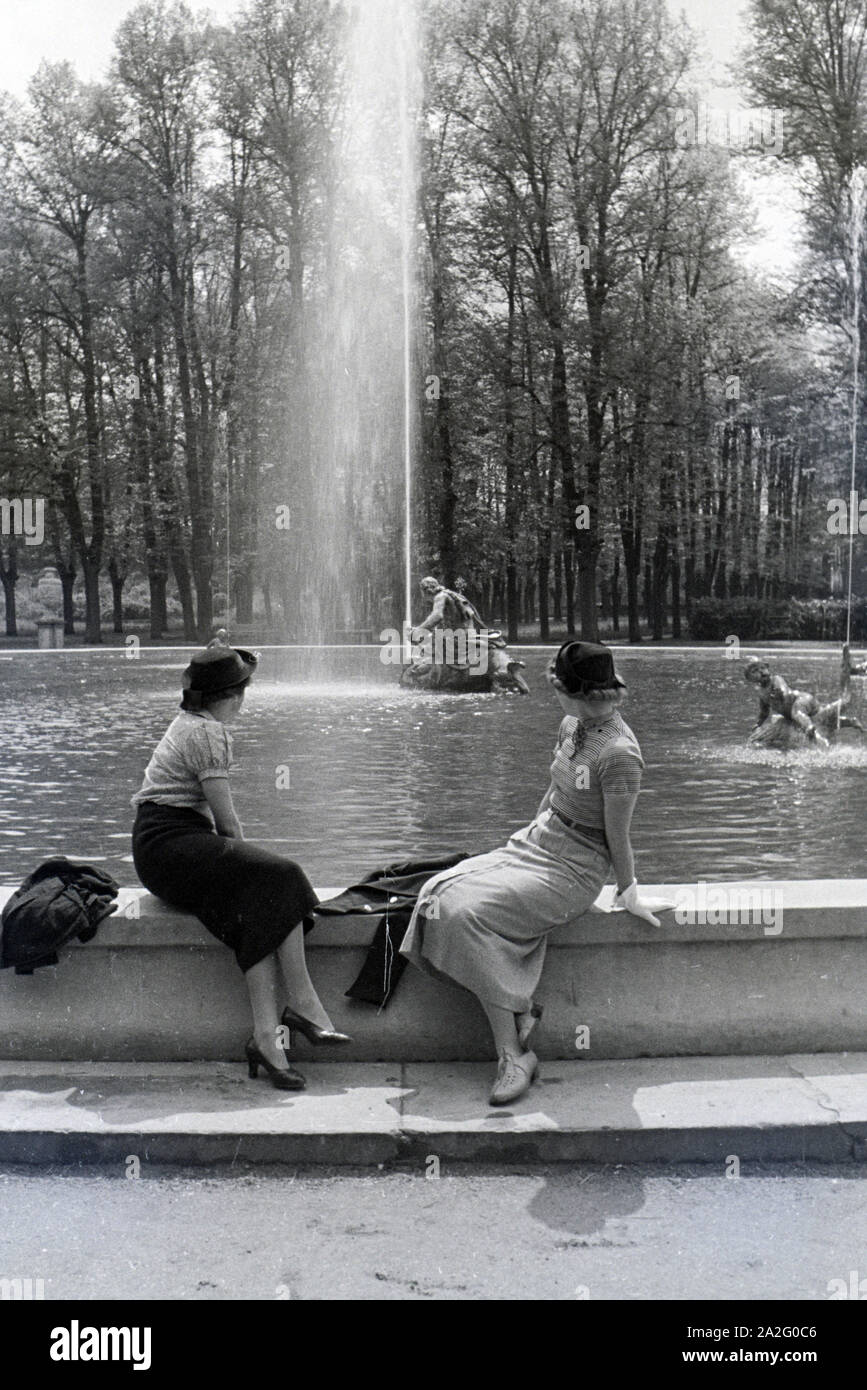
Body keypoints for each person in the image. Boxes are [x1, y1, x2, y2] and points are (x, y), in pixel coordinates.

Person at [400, 640, 668, 1106]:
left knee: (466, 916)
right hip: (538, 842)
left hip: (576, 869)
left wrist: (630, 893)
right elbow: (553, 791)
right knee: (436, 891)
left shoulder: (620, 755)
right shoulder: (573, 723)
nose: (552, 695)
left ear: (572, 690)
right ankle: (519, 1008)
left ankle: (514, 1054)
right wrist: (522, 840)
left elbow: (618, 838)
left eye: (556, 687)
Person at [131, 632, 350, 1092]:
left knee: (257, 911)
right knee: (282, 874)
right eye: (241, 691)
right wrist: (252, 864)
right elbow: (228, 827)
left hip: (162, 847)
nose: (244, 699)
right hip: (169, 845)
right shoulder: (209, 734)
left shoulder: (191, 720)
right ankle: (305, 1004)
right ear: (229, 697)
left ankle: (267, 1042)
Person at [744, 659, 863, 749]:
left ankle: (810, 729)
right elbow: (764, 711)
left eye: (762, 668)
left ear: (767, 668)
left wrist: (778, 693)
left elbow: (784, 691)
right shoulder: (761, 693)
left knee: (797, 713)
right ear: (750, 679)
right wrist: (758, 723)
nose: (760, 672)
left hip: (801, 700)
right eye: (755, 671)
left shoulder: (776, 679)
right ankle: (849, 721)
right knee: (822, 719)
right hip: (797, 713)